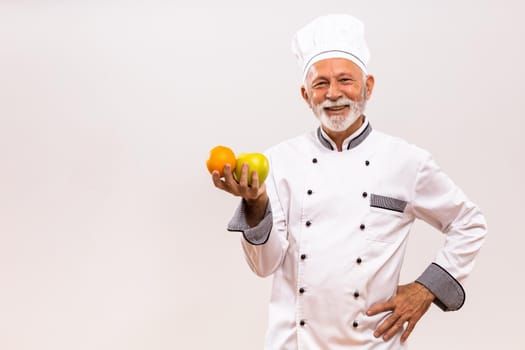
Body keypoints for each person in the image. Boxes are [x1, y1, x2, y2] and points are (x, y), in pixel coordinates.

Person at [211, 14, 487, 349]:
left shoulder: (405, 161)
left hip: (372, 343)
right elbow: (264, 265)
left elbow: (468, 222)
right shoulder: (278, 162)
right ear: (305, 94)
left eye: (345, 80)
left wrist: (426, 288)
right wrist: (255, 204)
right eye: (320, 84)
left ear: (368, 86)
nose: (334, 94)